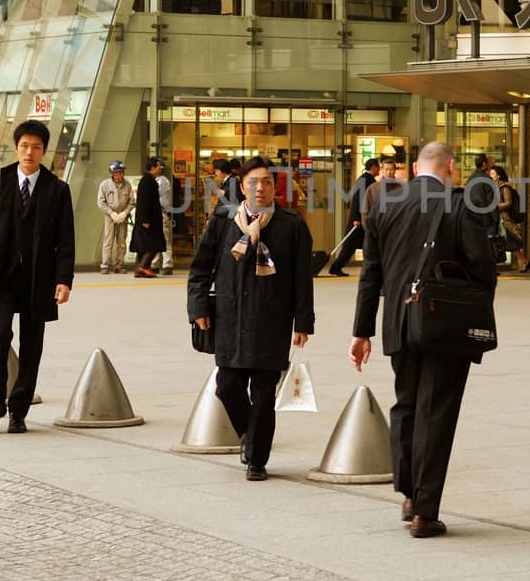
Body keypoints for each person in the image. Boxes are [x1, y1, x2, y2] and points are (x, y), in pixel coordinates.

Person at [351, 142, 496, 539]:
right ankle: (425, 512)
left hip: (398, 324)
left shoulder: (385, 205)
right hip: (443, 325)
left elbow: (371, 275)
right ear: (450, 168)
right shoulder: (461, 205)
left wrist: (361, 330)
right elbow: (482, 267)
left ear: (415, 168)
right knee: (438, 412)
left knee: (407, 404)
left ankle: (410, 492)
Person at [188, 156, 316, 481]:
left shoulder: (291, 224)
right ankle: (251, 434)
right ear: (242, 187)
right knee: (226, 386)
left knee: (263, 393)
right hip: (230, 319)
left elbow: (303, 278)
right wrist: (199, 307)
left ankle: (257, 459)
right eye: (254, 183)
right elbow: (201, 268)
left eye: (267, 182)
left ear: (274, 187)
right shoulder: (223, 220)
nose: (261, 189)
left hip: (271, 321)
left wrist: (303, 322)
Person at [0, 120, 76, 435]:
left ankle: (19, 411)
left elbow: (66, 240)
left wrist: (64, 279)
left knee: (33, 346)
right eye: (24, 146)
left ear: (44, 151)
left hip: (39, 279)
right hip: (2, 278)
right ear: (16, 148)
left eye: (36, 147)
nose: (29, 152)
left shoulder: (57, 189)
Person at [329, 158, 379, 276]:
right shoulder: (366, 180)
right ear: (373, 167)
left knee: (359, 245)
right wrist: (357, 218)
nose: (380, 169)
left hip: (361, 218)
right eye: (378, 167)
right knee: (350, 245)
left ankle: (338, 267)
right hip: (359, 219)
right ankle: (336, 267)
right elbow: (359, 199)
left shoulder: (365, 179)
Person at [131, 157, 166, 277]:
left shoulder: (148, 180)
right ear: (152, 168)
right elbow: (144, 202)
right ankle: (143, 266)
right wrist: (144, 219)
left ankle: (139, 269)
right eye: (158, 167)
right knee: (153, 244)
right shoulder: (147, 181)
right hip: (148, 220)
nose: (159, 169)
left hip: (148, 220)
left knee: (143, 246)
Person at [97, 161, 133, 274]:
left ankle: (119, 265)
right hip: (110, 217)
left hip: (123, 217)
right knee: (108, 241)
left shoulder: (127, 185)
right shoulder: (105, 184)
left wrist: (125, 213)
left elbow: (132, 202)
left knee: (122, 242)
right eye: (116, 173)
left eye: (121, 172)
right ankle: (105, 265)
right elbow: (101, 202)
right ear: (112, 173)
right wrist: (111, 213)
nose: (119, 175)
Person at [492, 165, 530, 273]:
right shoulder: (496, 187)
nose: (490, 176)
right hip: (500, 218)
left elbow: (508, 203)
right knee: (507, 242)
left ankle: (523, 260)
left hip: (505, 219)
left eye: (492, 174)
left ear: (498, 176)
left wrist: (496, 206)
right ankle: (523, 261)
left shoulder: (504, 188)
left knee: (510, 242)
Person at [361, 156, 402, 220]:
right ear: (382, 170)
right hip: (377, 227)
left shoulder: (401, 188)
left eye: (391, 169)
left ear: (395, 170)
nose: (389, 172)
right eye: (386, 169)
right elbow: (365, 212)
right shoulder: (372, 188)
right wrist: (370, 229)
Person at [158, 163, 179, 275]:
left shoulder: (163, 181)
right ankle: (154, 264)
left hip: (161, 212)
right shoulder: (157, 180)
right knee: (155, 240)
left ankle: (167, 264)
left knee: (164, 240)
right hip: (157, 212)